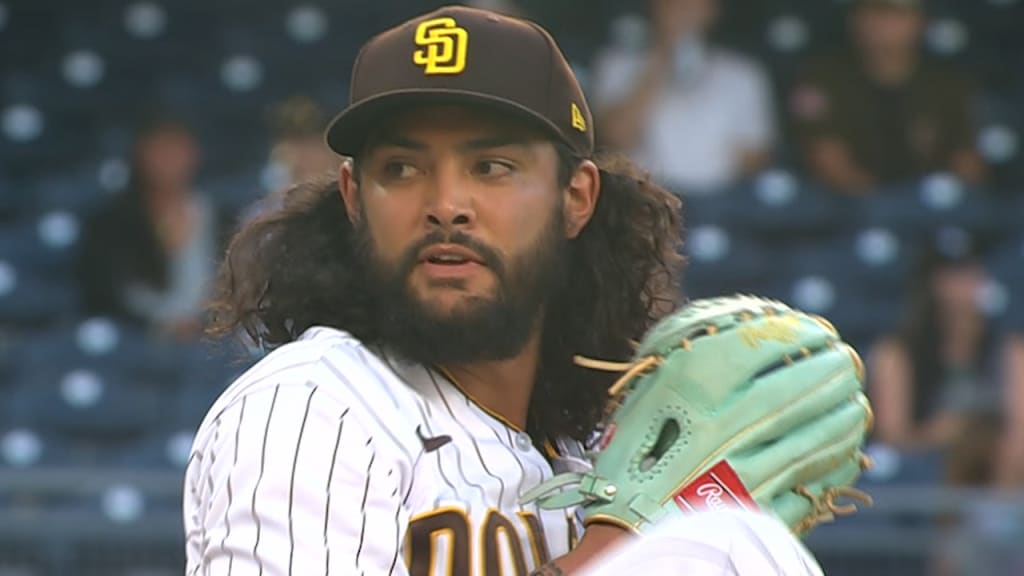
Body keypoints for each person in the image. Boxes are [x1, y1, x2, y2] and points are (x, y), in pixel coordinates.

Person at [184, 6, 824, 575]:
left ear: (576, 198)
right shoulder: (313, 408)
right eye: (401, 169)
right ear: (353, 198)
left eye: (491, 167)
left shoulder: (597, 456)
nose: (445, 205)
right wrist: (615, 548)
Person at [790, 0, 986, 194]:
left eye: (893, 14)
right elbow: (827, 159)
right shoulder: (823, 76)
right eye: (870, 12)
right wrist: (881, 206)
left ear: (921, 22)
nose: (878, 24)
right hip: (848, 207)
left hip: (930, 206)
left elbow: (966, 161)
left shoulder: (947, 83)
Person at [590, 0, 777, 192]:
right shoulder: (616, 64)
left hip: (719, 201)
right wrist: (662, 59)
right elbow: (615, 138)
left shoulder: (743, 74)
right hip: (642, 197)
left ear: (712, 9)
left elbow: (757, 156)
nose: (682, 7)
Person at [77, 112, 222, 340]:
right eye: (160, 150)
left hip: (210, 338)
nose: (168, 160)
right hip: (133, 337)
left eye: (177, 149)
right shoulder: (110, 222)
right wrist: (164, 322)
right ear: (140, 154)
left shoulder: (221, 216)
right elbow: (109, 292)